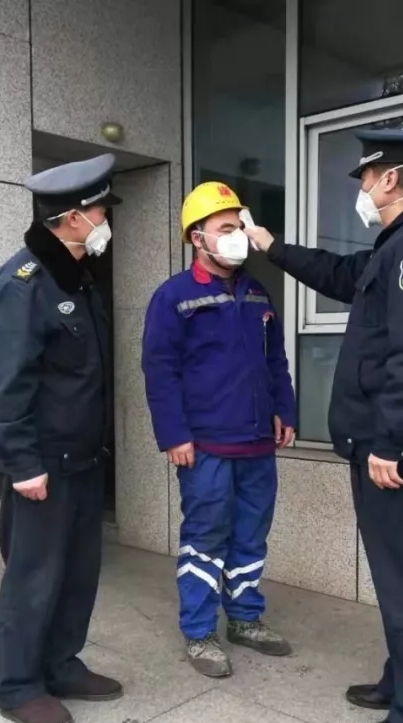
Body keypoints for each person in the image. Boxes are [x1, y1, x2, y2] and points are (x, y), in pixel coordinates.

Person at [244, 130, 403, 723]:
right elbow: (343, 275)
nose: (363, 189)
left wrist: (389, 443)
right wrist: (272, 246)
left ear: (390, 179)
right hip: (389, 446)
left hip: (401, 454)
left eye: (366, 178)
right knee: (399, 577)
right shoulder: (396, 245)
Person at [0, 154, 123, 723]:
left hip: (83, 461)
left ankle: (61, 664)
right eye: (99, 211)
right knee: (34, 578)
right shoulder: (22, 285)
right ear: (70, 219)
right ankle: (19, 685)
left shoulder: (77, 278)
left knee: (78, 574)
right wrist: (22, 464)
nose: (105, 220)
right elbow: (5, 384)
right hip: (42, 467)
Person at [142, 182, 297, 678]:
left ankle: (245, 618)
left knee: (251, 534)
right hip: (205, 444)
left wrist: (285, 409)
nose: (238, 236)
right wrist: (173, 435)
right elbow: (159, 371)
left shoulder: (257, 291)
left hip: (257, 442)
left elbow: (276, 360)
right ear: (197, 238)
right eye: (226, 228)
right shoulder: (173, 296)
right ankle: (200, 631)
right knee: (206, 536)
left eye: (239, 227)